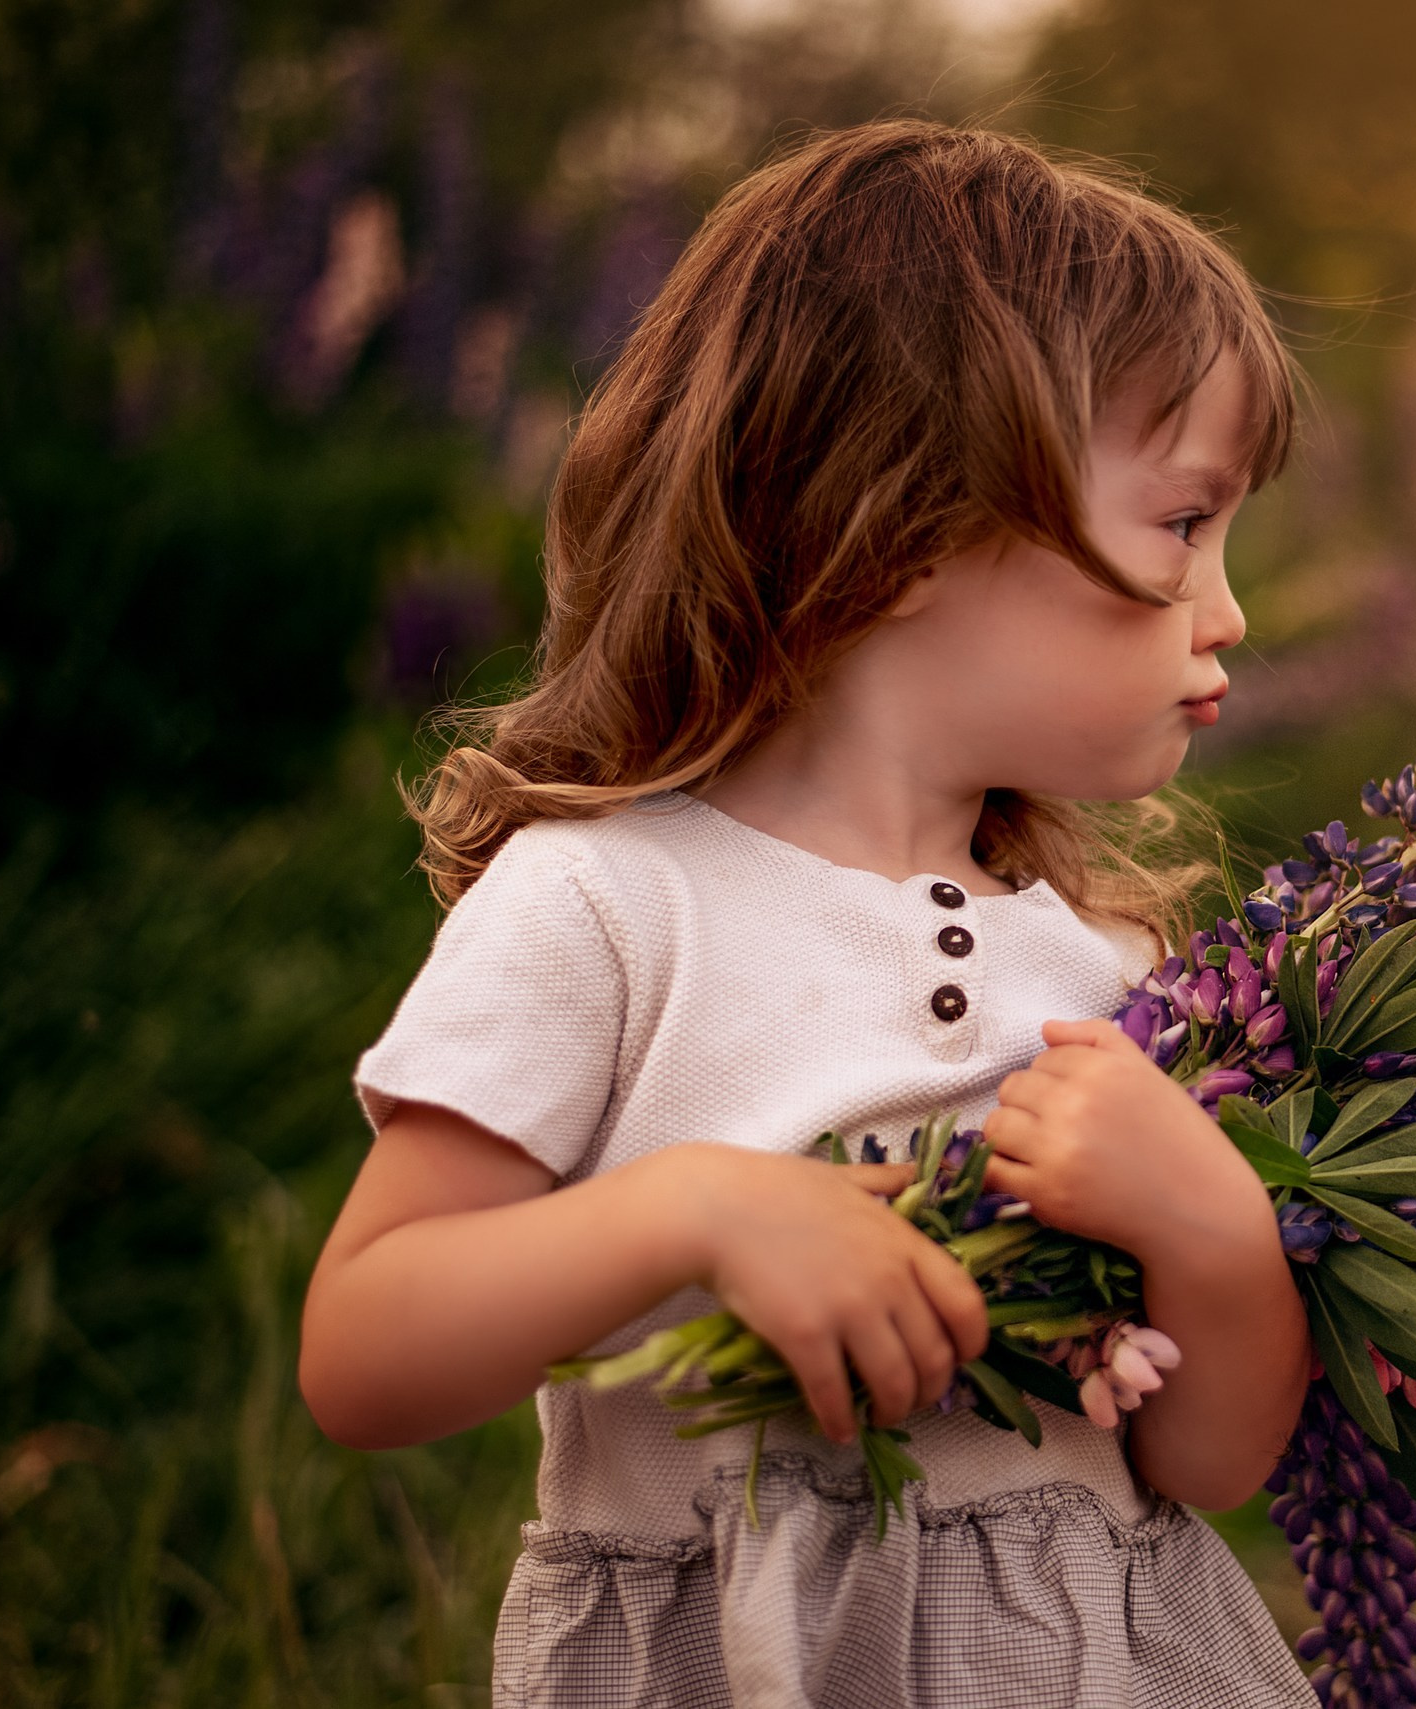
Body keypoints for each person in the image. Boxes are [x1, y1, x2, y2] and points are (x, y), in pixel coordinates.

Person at [298, 121, 1317, 1708]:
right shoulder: (610, 907)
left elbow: (1207, 1456)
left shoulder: (1116, 977)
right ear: (912, 531)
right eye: (1184, 525)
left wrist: (1218, 1235)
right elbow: (364, 1350)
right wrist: (697, 1211)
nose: (1230, 607)